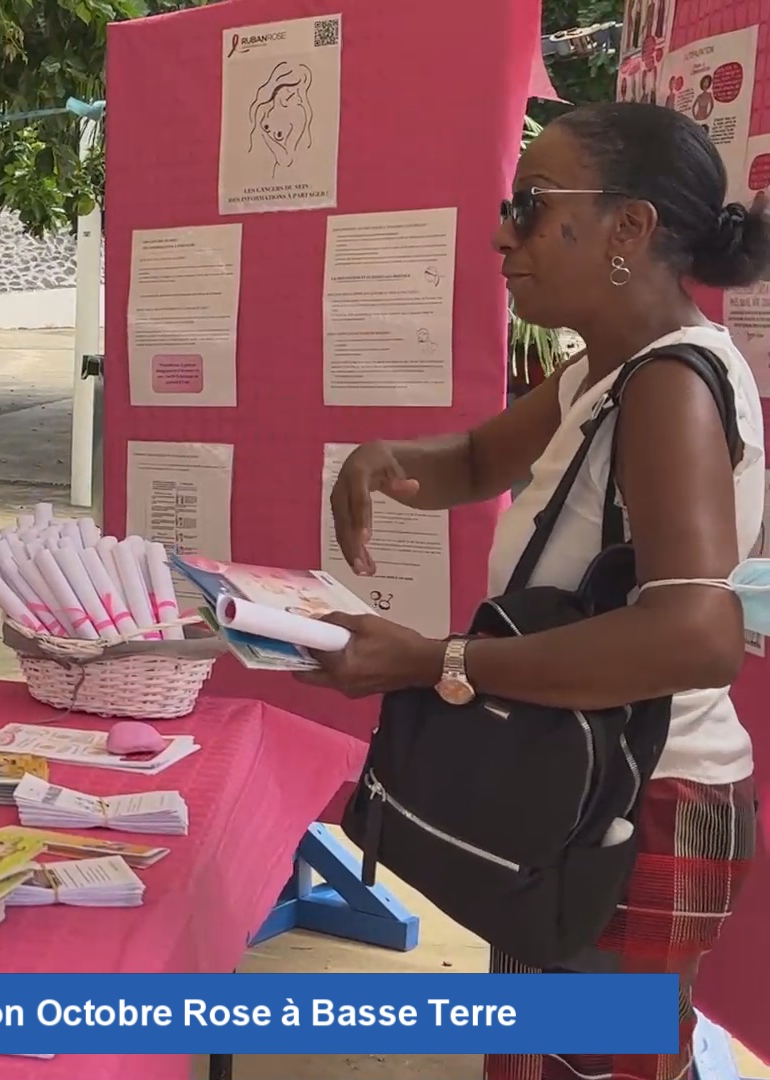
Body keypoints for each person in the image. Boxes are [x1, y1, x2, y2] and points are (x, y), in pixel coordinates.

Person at [317, 102, 768, 1080]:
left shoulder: (670, 389)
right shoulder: (599, 375)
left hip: (637, 809)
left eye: (528, 206)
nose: (499, 234)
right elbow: (480, 458)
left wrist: (437, 661)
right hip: (584, 791)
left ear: (629, 229)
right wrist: (388, 461)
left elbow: (695, 635)